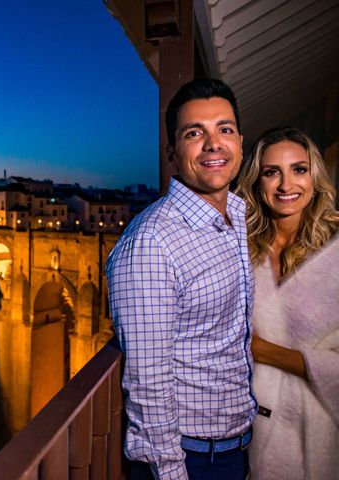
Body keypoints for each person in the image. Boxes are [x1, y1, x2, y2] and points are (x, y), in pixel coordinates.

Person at [106, 78, 257, 480]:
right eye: (195, 133)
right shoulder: (151, 242)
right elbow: (148, 383)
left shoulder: (240, 218)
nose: (213, 144)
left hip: (239, 444)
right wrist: (172, 472)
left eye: (224, 129)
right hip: (189, 459)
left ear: (240, 142)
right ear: (173, 152)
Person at [235, 126, 339, 479]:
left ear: (315, 177)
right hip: (247, 433)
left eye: (298, 169)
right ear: (257, 182)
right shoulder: (240, 251)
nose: (285, 185)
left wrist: (262, 350)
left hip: (319, 438)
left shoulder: (335, 253)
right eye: (271, 172)